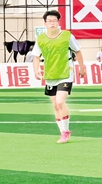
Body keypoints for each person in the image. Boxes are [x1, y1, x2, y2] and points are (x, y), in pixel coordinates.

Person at [31, 9, 86, 143]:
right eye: (49, 21)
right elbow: (36, 56)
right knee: (56, 105)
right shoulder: (41, 39)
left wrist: (82, 67)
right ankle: (62, 132)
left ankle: (66, 132)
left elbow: (78, 51)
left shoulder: (67, 36)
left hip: (66, 72)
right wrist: (36, 70)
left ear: (58, 22)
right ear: (45, 23)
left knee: (60, 102)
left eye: (54, 21)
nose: (52, 23)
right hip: (50, 74)